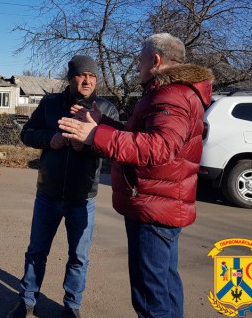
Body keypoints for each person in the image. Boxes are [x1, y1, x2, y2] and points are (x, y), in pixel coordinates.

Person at [58, 33, 214, 318]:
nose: (138, 67)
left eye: (140, 61)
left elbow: (160, 147)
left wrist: (95, 135)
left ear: (155, 61)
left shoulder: (172, 95)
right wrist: (103, 123)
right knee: (164, 286)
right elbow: (142, 136)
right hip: (160, 203)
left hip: (153, 208)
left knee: (150, 297)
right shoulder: (173, 92)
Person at [7, 55, 119, 318]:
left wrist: (90, 145)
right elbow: (27, 134)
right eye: (81, 75)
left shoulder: (105, 110)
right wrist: (51, 138)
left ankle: (72, 306)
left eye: (92, 75)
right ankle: (26, 301)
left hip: (83, 197)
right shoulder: (50, 104)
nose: (87, 80)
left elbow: (115, 148)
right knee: (36, 251)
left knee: (78, 257)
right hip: (48, 192)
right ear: (70, 78)